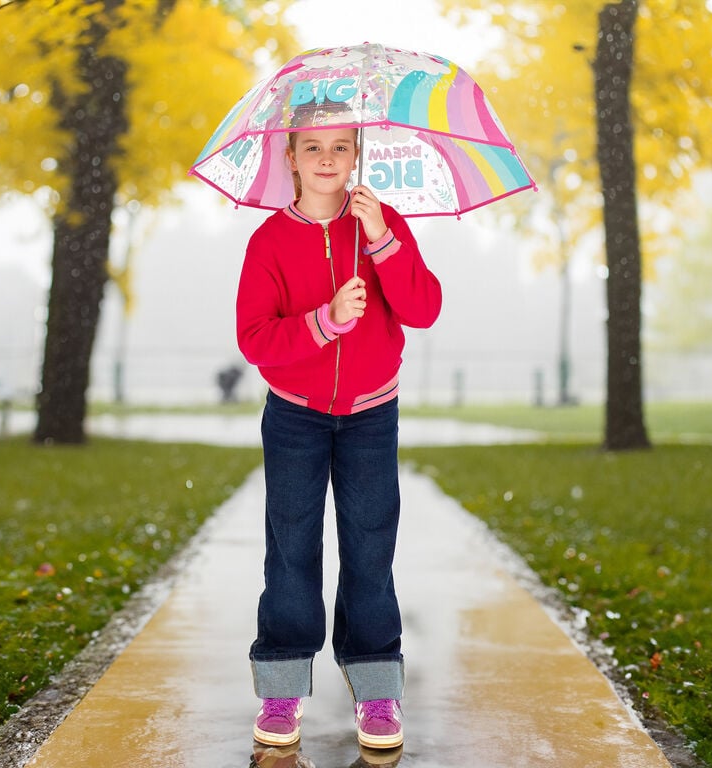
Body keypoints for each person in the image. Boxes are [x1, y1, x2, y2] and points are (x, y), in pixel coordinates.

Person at [235, 114, 442, 751]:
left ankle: (377, 687)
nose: (328, 158)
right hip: (295, 413)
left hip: (371, 414)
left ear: (357, 156)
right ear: (291, 158)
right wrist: (323, 321)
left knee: (371, 547)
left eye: (341, 147)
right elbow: (254, 337)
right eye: (313, 148)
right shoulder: (269, 241)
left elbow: (424, 308)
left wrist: (381, 238)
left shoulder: (381, 226)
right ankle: (281, 687)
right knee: (292, 546)